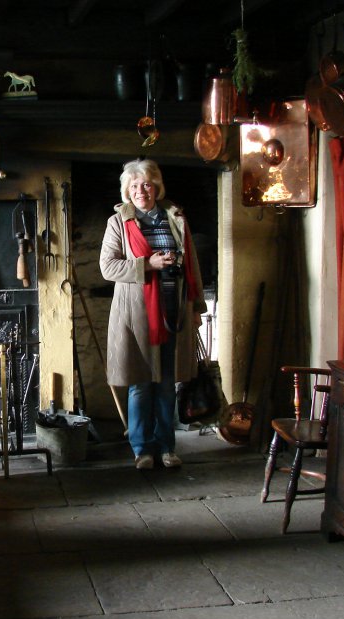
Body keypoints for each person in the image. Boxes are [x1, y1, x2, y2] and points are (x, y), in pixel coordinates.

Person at [99, 159, 206, 470]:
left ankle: (167, 447)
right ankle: (142, 449)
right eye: (134, 186)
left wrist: (196, 307)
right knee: (141, 382)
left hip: (174, 310)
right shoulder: (118, 223)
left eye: (146, 184)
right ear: (127, 191)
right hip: (137, 314)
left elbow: (193, 265)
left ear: (157, 187)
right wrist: (148, 264)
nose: (140, 191)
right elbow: (108, 267)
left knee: (167, 381)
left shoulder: (175, 218)